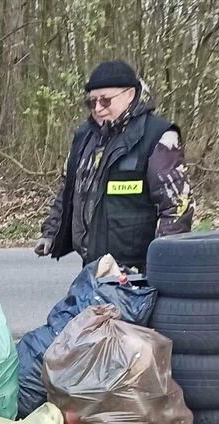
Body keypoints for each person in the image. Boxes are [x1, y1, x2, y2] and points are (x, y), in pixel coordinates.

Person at [36, 60, 193, 272]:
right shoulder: (84, 137)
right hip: (93, 267)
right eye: (92, 102)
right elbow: (69, 189)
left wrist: (162, 264)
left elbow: (176, 208)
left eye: (105, 100)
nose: (98, 108)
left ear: (129, 95)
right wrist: (51, 232)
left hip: (138, 271)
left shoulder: (158, 136)